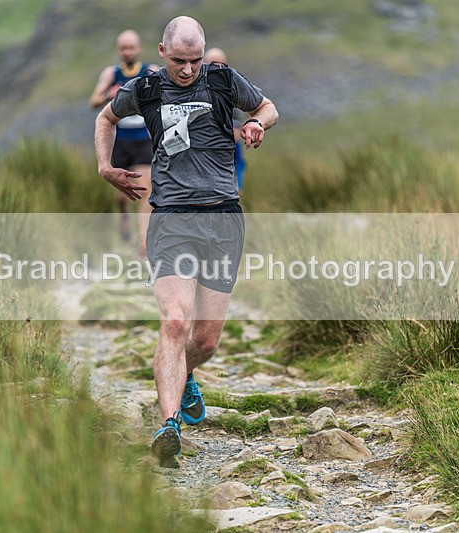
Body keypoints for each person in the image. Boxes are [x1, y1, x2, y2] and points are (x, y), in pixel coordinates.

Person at [95, 16, 278, 467]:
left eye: (195, 60)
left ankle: (185, 374)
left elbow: (268, 108)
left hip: (222, 220)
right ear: (161, 52)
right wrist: (104, 166)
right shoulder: (147, 88)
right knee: (175, 323)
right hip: (172, 218)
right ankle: (169, 424)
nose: (187, 70)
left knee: (206, 339)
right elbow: (106, 117)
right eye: (179, 61)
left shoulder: (221, 80)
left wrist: (257, 125)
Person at [90, 30, 159, 256]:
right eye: (124, 48)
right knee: (121, 196)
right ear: (119, 50)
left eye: (131, 47)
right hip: (119, 141)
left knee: (144, 191)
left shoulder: (150, 70)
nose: (128, 51)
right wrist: (109, 95)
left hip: (142, 139)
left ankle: (144, 241)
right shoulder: (112, 73)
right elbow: (94, 101)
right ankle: (124, 217)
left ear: (139, 49)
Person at [204, 47, 247, 190]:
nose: (215, 68)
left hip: (229, 147)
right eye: (211, 64)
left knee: (234, 188)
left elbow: (237, 126)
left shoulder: (232, 87)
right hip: (205, 149)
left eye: (219, 64)